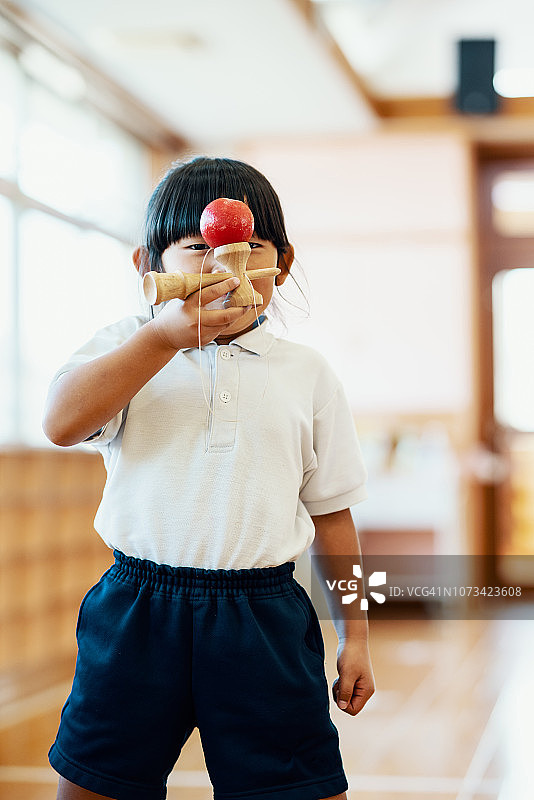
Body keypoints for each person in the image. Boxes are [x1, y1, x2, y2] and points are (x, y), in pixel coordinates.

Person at [43, 156, 375, 800]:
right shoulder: (126, 346)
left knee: (294, 788)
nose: (225, 265)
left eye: (250, 249)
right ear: (149, 266)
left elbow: (335, 516)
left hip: (265, 615)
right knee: (96, 784)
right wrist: (162, 339)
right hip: (139, 607)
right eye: (199, 248)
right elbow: (60, 422)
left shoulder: (306, 373)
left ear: (281, 264)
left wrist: (356, 635)